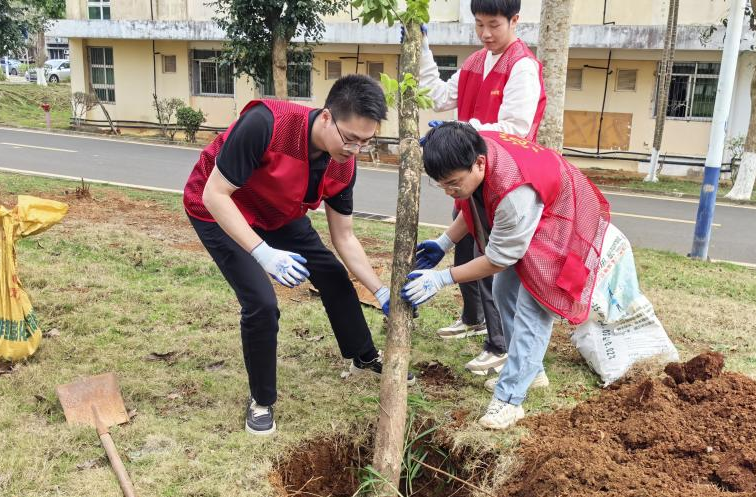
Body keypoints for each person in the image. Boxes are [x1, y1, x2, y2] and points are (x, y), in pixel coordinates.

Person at [183, 75, 411, 437]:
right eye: (349, 138)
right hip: (219, 209)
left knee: (333, 275)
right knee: (261, 303)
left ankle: (363, 354)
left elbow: (345, 236)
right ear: (325, 117)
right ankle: (261, 400)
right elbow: (215, 194)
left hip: (278, 213)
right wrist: (263, 254)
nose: (354, 149)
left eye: (365, 143)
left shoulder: (343, 164)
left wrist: (379, 289)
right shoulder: (266, 124)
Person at [405, 123, 610, 430]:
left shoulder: (514, 194)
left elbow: (499, 258)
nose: (449, 191)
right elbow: (472, 200)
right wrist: (444, 242)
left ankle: (510, 400)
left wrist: (442, 278)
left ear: (479, 164)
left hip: (562, 216)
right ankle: (533, 370)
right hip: (539, 207)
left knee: (534, 307)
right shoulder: (472, 150)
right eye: (442, 185)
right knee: (503, 291)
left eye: (452, 183)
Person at [417, 0, 545, 377]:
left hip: (505, 177)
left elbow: (515, 129)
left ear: (515, 21)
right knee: (468, 244)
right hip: (472, 175)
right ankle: (479, 323)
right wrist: (422, 48)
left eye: (494, 25)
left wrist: (462, 131)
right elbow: (438, 97)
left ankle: (502, 345)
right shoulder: (474, 63)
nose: (486, 34)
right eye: (479, 25)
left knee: (496, 263)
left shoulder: (522, 66)